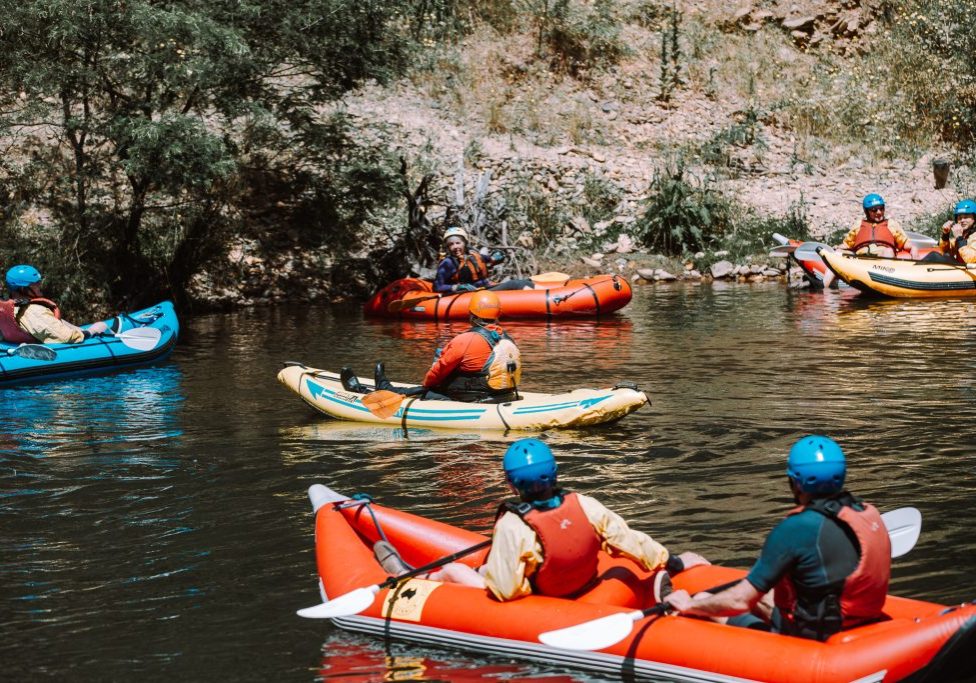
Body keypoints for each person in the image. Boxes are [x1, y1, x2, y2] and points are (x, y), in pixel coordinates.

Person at [376, 439, 710, 602]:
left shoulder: (514, 524)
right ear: (555, 473)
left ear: (511, 484)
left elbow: (506, 590)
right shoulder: (585, 505)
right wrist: (674, 562)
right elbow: (629, 540)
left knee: (453, 570)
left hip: (545, 595)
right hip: (583, 582)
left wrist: (495, 576)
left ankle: (409, 579)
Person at [664, 435, 891, 642]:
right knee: (768, 596)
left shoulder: (796, 528)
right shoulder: (867, 513)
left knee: (702, 599)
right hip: (857, 619)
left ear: (795, 482)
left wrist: (690, 604)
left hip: (813, 637)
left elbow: (739, 601)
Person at [341, 290, 522, 404]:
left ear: (471, 316)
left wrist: (428, 385)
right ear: (497, 315)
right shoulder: (507, 338)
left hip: (472, 399)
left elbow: (434, 376)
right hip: (503, 395)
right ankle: (384, 387)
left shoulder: (465, 340)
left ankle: (364, 391)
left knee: (424, 389)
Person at [822, 194, 919, 288]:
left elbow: (904, 243)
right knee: (837, 253)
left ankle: (886, 284)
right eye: (874, 210)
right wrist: (837, 249)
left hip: (880, 260)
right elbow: (847, 244)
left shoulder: (891, 224)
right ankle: (824, 287)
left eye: (881, 208)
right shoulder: (859, 224)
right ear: (866, 212)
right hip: (860, 260)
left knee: (889, 251)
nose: (879, 212)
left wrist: (913, 249)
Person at [0, 265, 108, 344]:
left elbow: (52, 322)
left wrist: (80, 329)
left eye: (39, 282)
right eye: (36, 284)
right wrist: (92, 331)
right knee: (101, 325)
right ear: (23, 289)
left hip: (14, 343)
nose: (40, 286)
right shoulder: (34, 311)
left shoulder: (10, 308)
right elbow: (66, 337)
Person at [432, 226, 532, 293]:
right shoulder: (448, 263)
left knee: (526, 282)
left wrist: (497, 257)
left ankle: (539, 297)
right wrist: (457, 287)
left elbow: (489, 259)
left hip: (484, 288)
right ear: (448, 247)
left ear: (465, 243)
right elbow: (437, 287)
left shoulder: (473, 255)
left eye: (458, 243)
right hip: (468, 294)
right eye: (451, 244)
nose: (455, 247)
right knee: (515, 284)